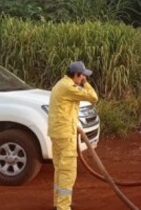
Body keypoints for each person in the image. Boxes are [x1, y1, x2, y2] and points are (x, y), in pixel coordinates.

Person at [48, 61, 99, 210]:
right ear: (76, 75)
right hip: (65, 135)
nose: (83, 78)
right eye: (82, 76)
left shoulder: (61, 84)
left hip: (57, 133)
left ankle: (58, 203)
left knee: (60, 169)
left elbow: (64, 109)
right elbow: (93, 97)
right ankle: (63, 207)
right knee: (68, 172)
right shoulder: (69, 87)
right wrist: (86, 84)